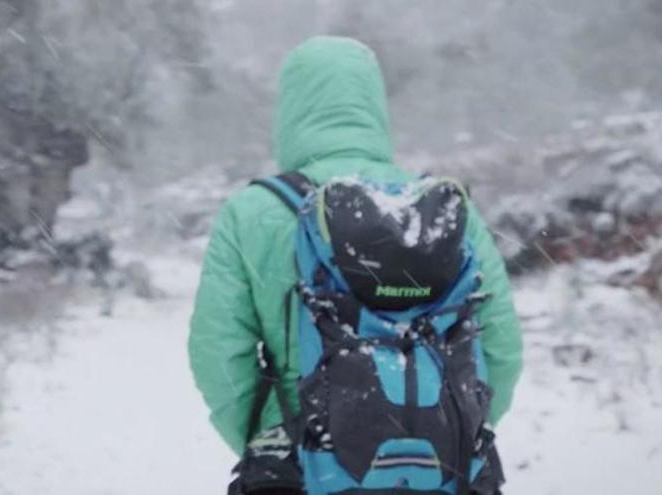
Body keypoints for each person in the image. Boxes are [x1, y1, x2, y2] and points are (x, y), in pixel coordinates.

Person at [188, 36, 523, 493]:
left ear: (289, 111)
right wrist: (450, 431)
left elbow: (219, 353)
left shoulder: (251, 212)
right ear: (374, 107)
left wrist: (268, 437)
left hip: (301, 463)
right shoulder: (442, 208)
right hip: (442, 465)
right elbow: (501, 346)